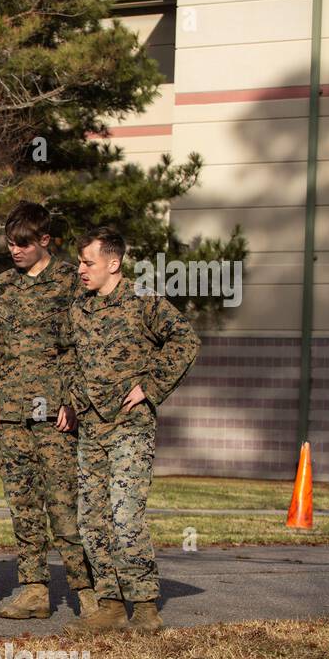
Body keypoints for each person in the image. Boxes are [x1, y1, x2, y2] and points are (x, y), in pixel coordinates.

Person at [63, 227, 199, 636]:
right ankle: (109, 605)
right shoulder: (79, 308)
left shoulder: (143, 301)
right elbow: (70, 356)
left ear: (113, 263)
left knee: (125, 516)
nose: (81, 269)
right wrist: (73, 394)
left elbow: (185, 340)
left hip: (129, 428)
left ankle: (144, 606)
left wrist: (151, 387)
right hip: (91, 426)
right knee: (91, 519)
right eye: (80, 262)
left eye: (88, 262)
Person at [0, 201, 95, 621]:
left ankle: (88, 591)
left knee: (64, 506)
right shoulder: (2, 287)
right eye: (10, 243)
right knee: (23, 506)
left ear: (45, 240)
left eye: (24, 243)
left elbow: (84, 346)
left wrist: (75, 399)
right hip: (9, 411)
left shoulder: (71, 281)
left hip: (54, 411)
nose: (16, 250)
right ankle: (33, 590)